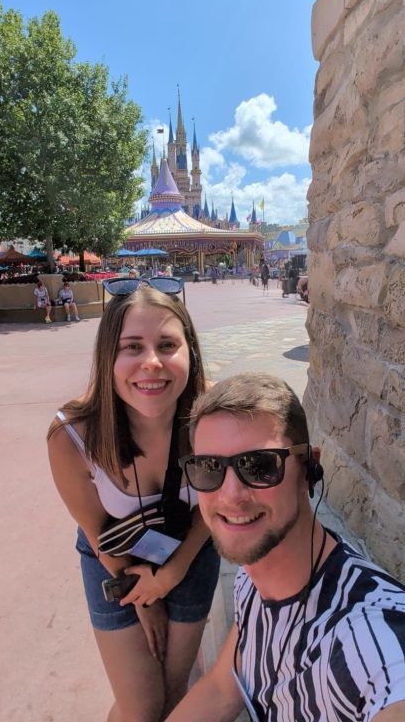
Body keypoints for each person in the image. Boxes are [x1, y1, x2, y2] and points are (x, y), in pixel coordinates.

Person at [168, 373, 405, 722]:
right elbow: (221, 689)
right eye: (209, 467)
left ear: (309, 470)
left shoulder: (368, 638)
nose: (231, 495)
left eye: (259, 465)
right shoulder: (251, 581)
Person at [47, 279, 220, 722]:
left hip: (190, 548)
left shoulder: (215, 414)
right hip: (112, 556)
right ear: (109, 356)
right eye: (132, 347)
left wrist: (170, 575)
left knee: (172, 694)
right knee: (140, 706)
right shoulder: (71, 435)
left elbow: (215, 506)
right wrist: (143, 597)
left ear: (190, 351)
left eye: (167, 345)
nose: (152, 363)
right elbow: (96, 529)